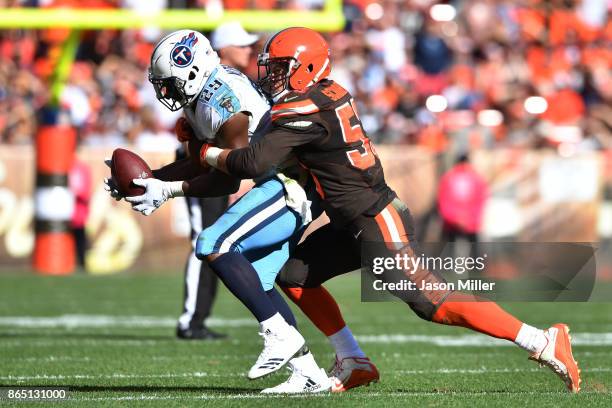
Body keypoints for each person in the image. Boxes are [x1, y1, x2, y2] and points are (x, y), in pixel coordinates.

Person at [199, 27, 581, 393]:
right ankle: (354, 361)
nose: (273, 77)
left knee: (433, 304)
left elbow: (251, 162)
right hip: (353, 220)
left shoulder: (304, 111)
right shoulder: (327, 94)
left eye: (281, 68)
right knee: (295, 275)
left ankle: (542, 339)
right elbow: (269, 136)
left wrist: (206, 150)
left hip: (376, 221)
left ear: (306, 68)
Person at [105, 29, 377, 393]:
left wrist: (167, 190)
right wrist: (147, 181)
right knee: (261, 279)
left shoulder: (224, 101)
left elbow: (229, 178)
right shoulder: (202, 95)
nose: (164, 92)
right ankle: (309, 372)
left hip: (291, 183)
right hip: (279, 182)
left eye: (168, 83)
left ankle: (278, 335)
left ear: (191, 70)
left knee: (213, 242)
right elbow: (203, 165)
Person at [175, 22, 258, 340]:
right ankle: (190, 319)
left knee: (213, 240)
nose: (249, 50)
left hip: (216, 160)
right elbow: (198, 135)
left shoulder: (232, 80)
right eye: (242, 44)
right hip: (203, 159)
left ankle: (197, 317)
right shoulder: (211, 83)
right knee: (204, 238)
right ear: (222, 49)